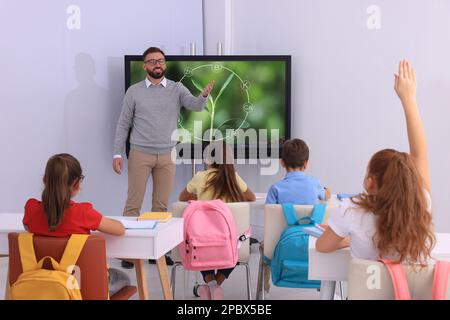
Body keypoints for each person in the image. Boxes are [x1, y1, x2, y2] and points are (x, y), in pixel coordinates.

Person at [316, 60, 435, 266]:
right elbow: (420, 153)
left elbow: (322, 247)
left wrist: (348, 239)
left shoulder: (350, 211)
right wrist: (409, 99)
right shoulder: (422, 202)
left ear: (370, 182)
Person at [112, 47, 214, 269]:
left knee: (160, 206)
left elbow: (195, 106)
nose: (157, 64)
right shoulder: (134, 91)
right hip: (140, 152)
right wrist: (117, 152)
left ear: (165, 65)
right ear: (145, 66)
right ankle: (129, 253)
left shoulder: (177, 89)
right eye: (152, 61)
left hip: (168, 154)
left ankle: (156, 251)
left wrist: (204, 95)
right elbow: (123, 123)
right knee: (133, 204)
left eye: (160, 61)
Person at [23, 153, 130, 296]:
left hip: (44, 285)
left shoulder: (31, 209)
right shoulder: (84, 213)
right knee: (124, 278)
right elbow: (119, 229)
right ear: (77, 184)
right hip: (80, 286)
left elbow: (28, 227)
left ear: (44, 180)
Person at [179, 142, 256, 299]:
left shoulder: (201, 177)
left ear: (208, 158)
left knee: (197, 240)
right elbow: (251, 197)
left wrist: (202, 198)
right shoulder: (234, 178)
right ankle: (216, 286)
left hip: (203, 243)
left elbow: (183, 197)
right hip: (229, 245)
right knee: (237, 245)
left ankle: (211, 285)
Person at [265, 138, 331, 205]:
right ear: (305, 164)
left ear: (282, 163)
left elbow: (269, 212)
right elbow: (327, 195)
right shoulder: (315, 184)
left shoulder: (275, 189)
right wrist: (327, 191)